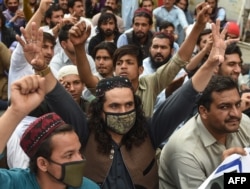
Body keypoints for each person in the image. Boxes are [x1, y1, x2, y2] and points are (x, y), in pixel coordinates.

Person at [16, 3, 226, 188]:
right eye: (114, 107)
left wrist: (211, 63)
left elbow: (185, 97)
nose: (124, 111)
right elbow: (60, 98)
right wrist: (42, 67)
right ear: (100, 110)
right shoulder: (85, 132)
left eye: (128, 105)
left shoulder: (150, 130)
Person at [72, 1, 215, 117]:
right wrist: (79, 47)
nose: (123, 66)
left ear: (141, 69)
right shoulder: (107, 85)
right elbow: (87, 78)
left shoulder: (150, 83)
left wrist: (199, 26)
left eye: (129, 62)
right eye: (119, 63)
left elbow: (179, 59)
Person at [0, 75, 100, 188]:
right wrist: (15, 111)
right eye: (69, 155)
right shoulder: (15, 184)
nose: (79, 159)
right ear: (43, 163)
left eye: (79, 152)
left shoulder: (89, 187)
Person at [158, 75, 250, 189]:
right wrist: (227, 175)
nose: (236, 114)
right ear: (204, 111)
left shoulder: (242, 122)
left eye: (237, 104)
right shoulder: (183, 151)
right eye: (224, 107)